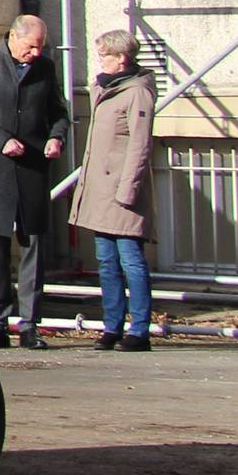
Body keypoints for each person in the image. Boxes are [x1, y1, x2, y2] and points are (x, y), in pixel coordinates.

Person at [0, 14, 70, 348]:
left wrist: (56, 138)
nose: (35, 53)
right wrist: (0, 139)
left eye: (40, 48)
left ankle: (30, 324)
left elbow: (59, 112)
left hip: (33, 168)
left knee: (33, 245)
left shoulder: (45, 68)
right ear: (13, 38)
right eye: (30, 47)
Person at [68, 29, 157, 351]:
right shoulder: (105, 88)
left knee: (131, 260)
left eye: (104, 54)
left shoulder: (137, 92)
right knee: (106, 260)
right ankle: (112, 326)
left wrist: (128, 190)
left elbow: (139, 145)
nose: (99, 60)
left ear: (122, 58)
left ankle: (140, 329)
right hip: (100, 191)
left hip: (122, 191)